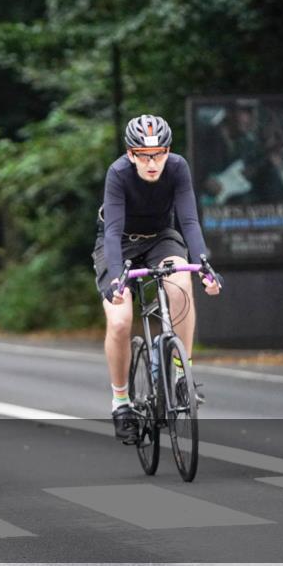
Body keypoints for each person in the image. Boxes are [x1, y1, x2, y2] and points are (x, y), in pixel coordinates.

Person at [92, 115, 221, 444]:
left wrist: (203, 262)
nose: (153, 163)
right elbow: (111, 231)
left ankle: (181, 373)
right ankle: (121, 401)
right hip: (119, 241)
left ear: (168, 151)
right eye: (144, 155)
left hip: (161, 237)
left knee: (180, 281)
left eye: (159, 154)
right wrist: (117, 281)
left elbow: (189, 221)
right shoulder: (119, 173)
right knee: (120, 321)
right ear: (131, 154)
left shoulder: (178, 168)